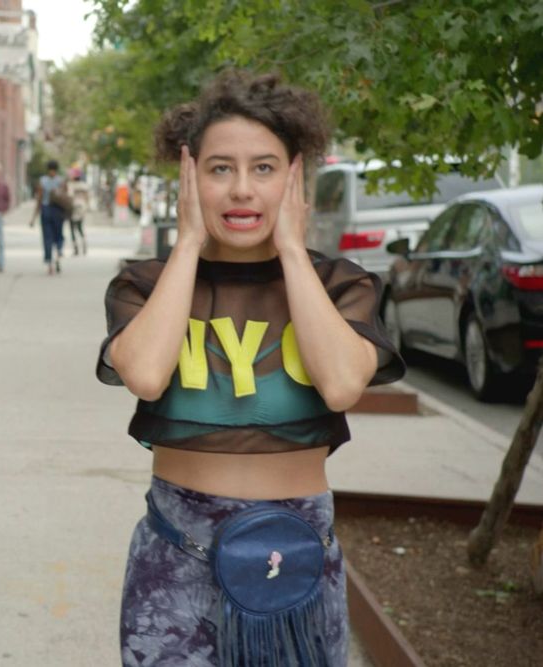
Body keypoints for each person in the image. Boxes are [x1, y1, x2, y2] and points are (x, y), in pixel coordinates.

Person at [97, 71, 405, 666]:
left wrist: (293, 251)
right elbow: (146, 376)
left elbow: (341, 385)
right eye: (219, 169)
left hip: (298, 556)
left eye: (264, 168)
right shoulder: (144, 284)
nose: (241, 189)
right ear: (188, 178)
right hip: (175, 553)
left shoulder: (340, 284)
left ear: (296, 178)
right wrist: (187, 244)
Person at [30, 159, 66, 275]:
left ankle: (50, 263)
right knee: (58, 235)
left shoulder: (42, 181)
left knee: (47, 238)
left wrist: (33, 217)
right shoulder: (61, 181)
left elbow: (39, 199)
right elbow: (65, 199)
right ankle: (58, 254)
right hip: (58, 211)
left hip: (46, 210)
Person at [68, 173, 89, 256]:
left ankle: (76, 248)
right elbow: (87, 197)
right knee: (80, 228)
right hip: (82, 208)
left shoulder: (71, 186)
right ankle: (84, 243)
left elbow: (69, 197)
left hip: (73, 208)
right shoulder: (84, 186)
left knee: (72, 229)